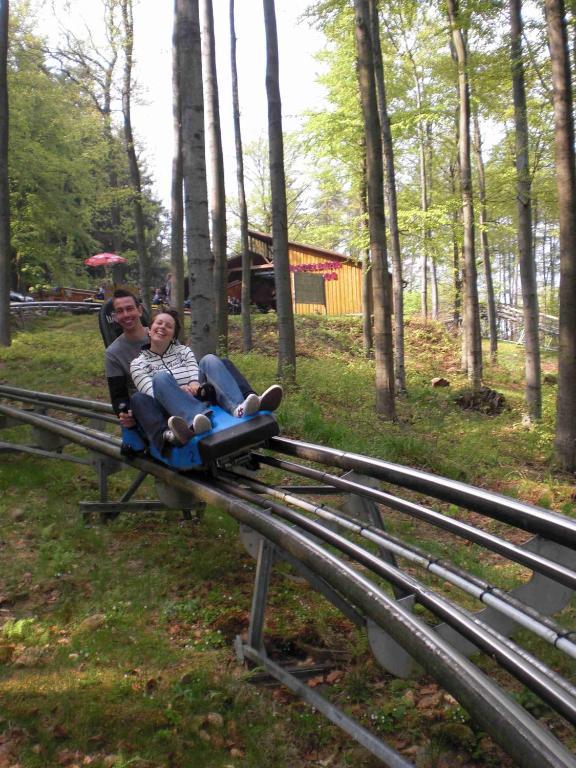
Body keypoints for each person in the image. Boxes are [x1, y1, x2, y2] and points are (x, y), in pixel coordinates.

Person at [104, 289, 283, 451]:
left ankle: (246, 403)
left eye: (130, 309)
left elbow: (189, 365)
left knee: (217, 361)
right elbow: (120, 395)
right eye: (120, 311)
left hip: (191, 390)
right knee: (151, 387)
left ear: (140, 310)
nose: (126, 314)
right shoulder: (121, 356)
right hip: (152, 403)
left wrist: (194, 382)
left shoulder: (170, 342)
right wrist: (125, 412)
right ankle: (183, 427)